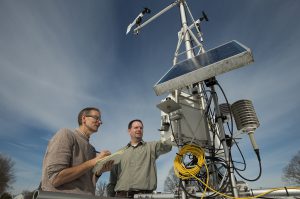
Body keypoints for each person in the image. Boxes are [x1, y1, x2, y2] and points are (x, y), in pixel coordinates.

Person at [41, 107, 113, 195]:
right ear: (84, 118)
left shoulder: (92, 149)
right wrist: (94, 161)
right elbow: (55, 178)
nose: (100, 122)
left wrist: (99, 172)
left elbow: (88, 184)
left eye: (100, 119)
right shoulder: (66, 134)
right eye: (96, 118)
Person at [107, 119, 172, 198]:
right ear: (129, 130)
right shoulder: (119, 153)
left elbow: (167, 145)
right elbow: (112, 180)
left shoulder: (152, 147)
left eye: (141, 128)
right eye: (136, 127)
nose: (139, 129)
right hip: (121, 196)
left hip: (145, 196)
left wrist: (168, 128)